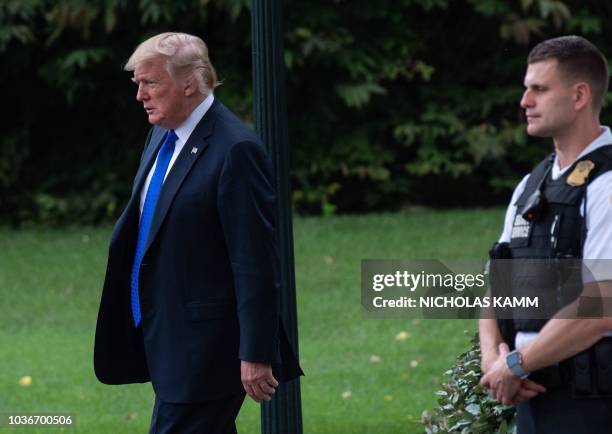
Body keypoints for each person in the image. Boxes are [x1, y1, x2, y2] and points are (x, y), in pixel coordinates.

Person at [93, 32, 302, 434]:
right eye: (137, 83)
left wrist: (256, 352)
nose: (140, 95)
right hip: (165, 335)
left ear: (190, 82)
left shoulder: (235, 150)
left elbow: (254, 261)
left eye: (150, 82)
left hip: (208, 348)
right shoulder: (161, 133)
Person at [479, 35, 612, 433]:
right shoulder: (530, 185)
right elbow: (495, 284)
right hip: (532, 398)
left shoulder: (607, 184)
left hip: (595, 405)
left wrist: (516, 363)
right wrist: (493, 362)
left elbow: (600, 305)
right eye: (526, 88)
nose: (524, 101)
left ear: (579, 96)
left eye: (538, 89)